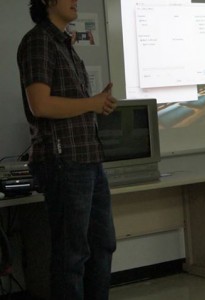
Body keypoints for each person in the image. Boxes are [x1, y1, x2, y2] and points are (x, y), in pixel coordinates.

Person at [17, 0, 117, 299]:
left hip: (88, 158)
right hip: (64, 162)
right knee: (72, 255)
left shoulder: (65, 45)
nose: (76, 1)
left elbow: (72, 105)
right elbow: (41, 105)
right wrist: (92, 103)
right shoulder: (38, 41)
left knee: (102, 244)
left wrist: (98, 103)